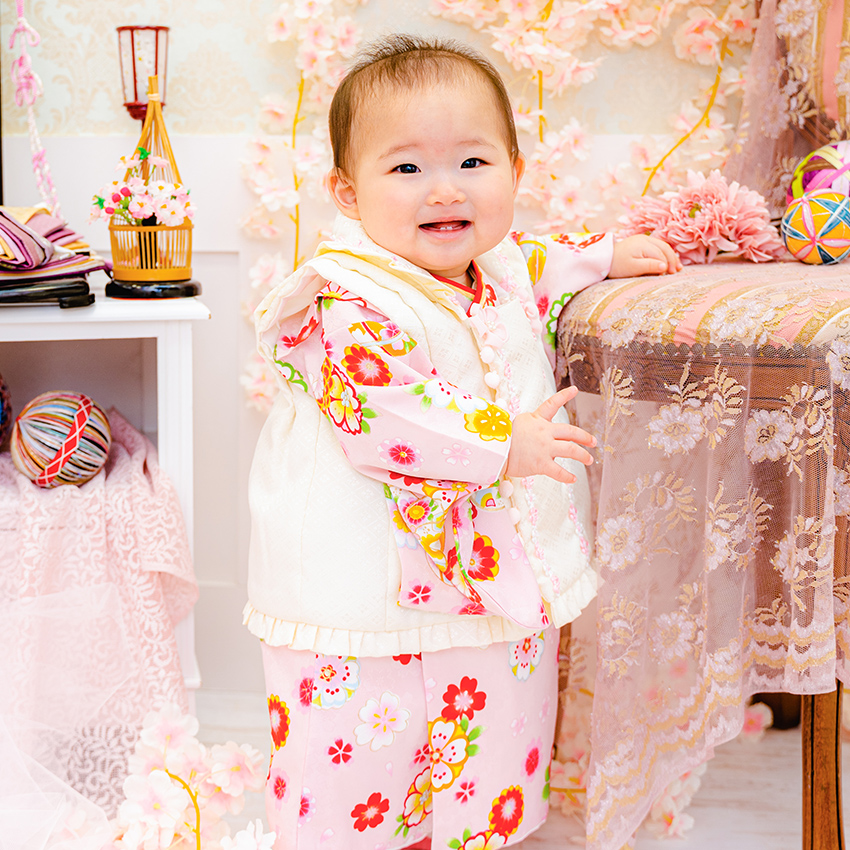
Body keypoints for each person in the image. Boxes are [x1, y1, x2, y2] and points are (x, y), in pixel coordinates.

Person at [246, 34, 680, 850]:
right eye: (407, 167)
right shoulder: (351, 296)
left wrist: (604, 256)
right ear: (348, 192)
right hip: (363, 576)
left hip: (486, 577)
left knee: (486, 735)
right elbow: (382, 408)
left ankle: (478, 834)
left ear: (515, 170)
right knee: (365, 751)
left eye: (473, 162)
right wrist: (503, 442)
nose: (444, 188)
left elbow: (542, 262)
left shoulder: (499, 263)